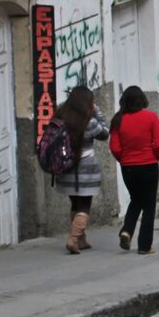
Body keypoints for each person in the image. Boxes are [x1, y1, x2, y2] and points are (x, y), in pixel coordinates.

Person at [109, 85, 159, 255]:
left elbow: (115, 148)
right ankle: (144, 245)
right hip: (148, 166)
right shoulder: (151, 117)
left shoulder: (118, 120)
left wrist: (124, 160)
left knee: (136, 200)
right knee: (148, 205)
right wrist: (154, 157)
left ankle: (127, 230)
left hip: (128, 168)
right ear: (142, 100)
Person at [53, 86, 105, 254]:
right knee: (84, 205)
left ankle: (81, 239)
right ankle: (73, 239)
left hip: (66, 167)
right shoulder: (88, 122)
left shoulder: (60, 118)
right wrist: (98, 112)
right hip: (86, 168)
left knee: (74, 203)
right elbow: (104, 133)